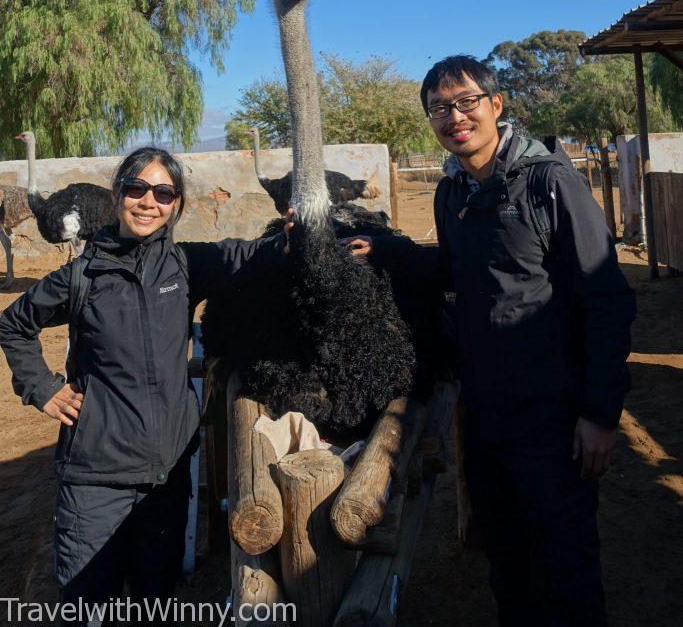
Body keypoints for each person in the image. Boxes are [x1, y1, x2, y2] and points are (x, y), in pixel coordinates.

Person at [344, 55, 636, 627]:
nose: (454, 117)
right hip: (485, 415)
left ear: (495, 105)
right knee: (507, 560)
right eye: (439, 109)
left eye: (465, 102)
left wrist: (601, 414)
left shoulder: (551, 183)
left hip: (552, 417)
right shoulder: (453, 194)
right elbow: (454, 276)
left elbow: (606, 300)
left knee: (564, 567)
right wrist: (390, 252)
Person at [0, 146, 292, 622]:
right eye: (136, 188)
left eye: (162, 192)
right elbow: (14, 323)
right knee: (88, 609)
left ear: (176, 204)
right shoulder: (82, 276)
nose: (147, 201)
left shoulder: (183, 265)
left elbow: (254, 254)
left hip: (166, 478)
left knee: (154, 605)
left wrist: (306, 233)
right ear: (118, 195)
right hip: (96, 479)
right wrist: (43, 388)